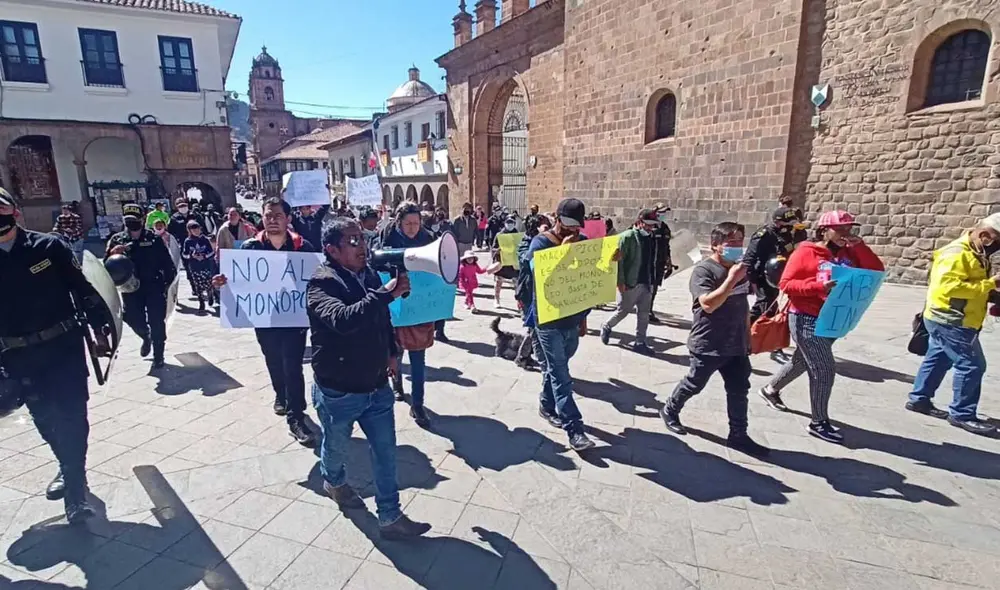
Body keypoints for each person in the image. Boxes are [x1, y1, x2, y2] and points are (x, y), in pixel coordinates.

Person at [306, 217, 431, 539]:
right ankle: (333, 480)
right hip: (340, 390)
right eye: (351, 242)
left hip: (376, 385)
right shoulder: (322, 283)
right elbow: (342, 319)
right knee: (335, 448)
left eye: (361, 239)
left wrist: (390, 349)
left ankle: (389, 517)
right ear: (331, 250)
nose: (361, 246)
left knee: (386, 451)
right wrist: (385, 295)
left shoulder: (370, 274)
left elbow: (380, 318)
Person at [0, 188, 114, 523]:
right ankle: (66, 465)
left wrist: (101, 329)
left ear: (15, 212)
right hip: (18, 355)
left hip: (62, 348)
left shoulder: (48, 247)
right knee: (44, 418)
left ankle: (76, 494)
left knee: (72, 415)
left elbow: (82, 289)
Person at [758, 210, 884, 444]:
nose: (846, 233)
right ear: (824, 230)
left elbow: (875, 271)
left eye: (849, 228)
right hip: (806, 317)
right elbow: (786, 284)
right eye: (840, 228)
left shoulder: (850, 252)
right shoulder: (806, 251)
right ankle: (818, 422)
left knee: (802, 361)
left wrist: (861, 247)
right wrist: (817, 287)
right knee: (824, 369)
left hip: (836, 316)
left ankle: (769, 390)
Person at [212, 198, 316, 446]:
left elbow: (316, 278)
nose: (272, 220)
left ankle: (296, 416)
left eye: (278, 215)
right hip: (265, 317)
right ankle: (280, 394)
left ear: (288, 218)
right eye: (268, 215)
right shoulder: (250, 247)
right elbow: (237, 280)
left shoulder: (303, 247)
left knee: (293, 365)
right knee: (273, 360)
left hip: (294, 319)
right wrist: (222, 284)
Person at [659, 222, 769, 457]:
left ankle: (738, 435)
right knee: (694, 384)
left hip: (736, 344)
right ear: (715, 245)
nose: (738, 246)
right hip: (708, 342)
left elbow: (743, 306)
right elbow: (708, 305)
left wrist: (748, 337)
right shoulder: (704, 271)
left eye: (741, 241)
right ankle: (670, 409)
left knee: (739, 390)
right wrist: (731, 280)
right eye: (731, 243)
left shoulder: (741, 270)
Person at [906, 213, 1000, 435]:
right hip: (951, 318)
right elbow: (949, 288)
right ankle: (962, 413)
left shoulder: (975, 251)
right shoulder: (956, 254)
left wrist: (991, 293)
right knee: (972, 364)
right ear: (985, 235)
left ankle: (919, 399)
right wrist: (989, 284)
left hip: (953, 316)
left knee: (939, 357)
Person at [523, 198, 596, 451]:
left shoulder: (583, 242)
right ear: (557, 219)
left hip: (573, 318)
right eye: (568, 224)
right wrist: (562, 254)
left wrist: (611, 261)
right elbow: (537, 274)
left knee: (558, 368)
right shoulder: (540, 243)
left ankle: (545, 404)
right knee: (561, 374)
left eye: (577, 226)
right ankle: (574, 429)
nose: (573, 230)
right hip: (548, 320)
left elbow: (586, 282)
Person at [383, 202, 439, 426]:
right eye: (408, 223)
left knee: (418, 357)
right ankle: (397, 385)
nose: (412, 228)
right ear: (399, 222)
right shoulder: (387, 238)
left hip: (420, 304)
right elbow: (378, 265)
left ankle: (418, 404)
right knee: (396, 352)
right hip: (396, 302)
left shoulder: (428, 238)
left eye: (416, 223)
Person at [105, 203, 177, 368]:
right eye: (128, 220)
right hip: (130, 288)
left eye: (135, 220)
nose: (131, 223)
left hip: (153, 286)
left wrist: (169, 285)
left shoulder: (154, 239)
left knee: (157, 321)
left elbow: (167, 263)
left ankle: (159, 354)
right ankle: (146, 336)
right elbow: (106, 265)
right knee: (131, 317)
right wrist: (113, 253)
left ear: (143, 219)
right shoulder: (117, 239)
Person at [743, 205, 799, 362]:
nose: (789, 227)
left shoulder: (788, 234)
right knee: (764, 307)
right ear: (777, 222)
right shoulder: (763, 234)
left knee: (772, 309)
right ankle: (740, 337)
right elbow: (749, 259)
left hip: (779, 276)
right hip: (762, 277)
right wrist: (751, 281)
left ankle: (773, 345)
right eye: (786, 224)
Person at [600, 209, 661, 355]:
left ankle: (640, 342)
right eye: (648, 224)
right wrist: (620, 282)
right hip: (630, 282)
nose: (650, 228)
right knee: (623, 311)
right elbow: (618, 262)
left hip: (646, 281)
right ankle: (607, 326)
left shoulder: (652, 237)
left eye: (653, 225)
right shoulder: (627, 237)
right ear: (639, 222)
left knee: (644, 313)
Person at [181, 221, 216, 313]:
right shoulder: (188, 241)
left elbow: (212, 252)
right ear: (189, 231)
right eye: (193, 229)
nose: (196, 231)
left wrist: (204, 256)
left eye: (197, 229)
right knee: (197, 284)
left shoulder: (205, 239)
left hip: (205, 265)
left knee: (208, 281)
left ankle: (210, 294)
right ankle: (201, 302)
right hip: (194, 266)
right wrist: (191, 256)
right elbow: (184, 255)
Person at [647, 203, 673, 325]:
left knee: (654, 288)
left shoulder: (665, 228)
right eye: (662, 212)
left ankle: (648, 310)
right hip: (648, 263)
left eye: (665, 213)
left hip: (659, 264)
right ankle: (644, 310)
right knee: (647, 288)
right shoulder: (649, 228)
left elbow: (667, 246)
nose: (664, 215)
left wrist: (669, 261)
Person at [490, 215, 520, 308]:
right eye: (508, 222)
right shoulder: (499, 235)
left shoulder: (518, 235)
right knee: (499, 281)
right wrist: (497, 250)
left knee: (517, 283)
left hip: (513, 262)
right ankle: (496, 299)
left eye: (512, 223)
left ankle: (519, 303)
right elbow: (493, 248)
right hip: (502, 261)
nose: (510, 224)